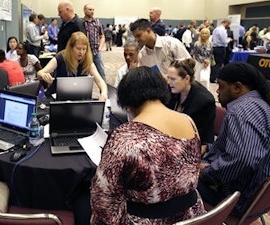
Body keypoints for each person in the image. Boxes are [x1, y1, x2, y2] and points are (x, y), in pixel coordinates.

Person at [91, 66, 205, 224]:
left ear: (127, 102)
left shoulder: (125, 137)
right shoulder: (188, 121)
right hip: (192, 216)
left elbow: (103, 200)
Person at [198, 62, 270, 218]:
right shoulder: (260, 104)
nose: (217, 91)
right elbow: (248, 147)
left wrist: (207, 172)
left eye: (221, 86)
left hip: (236, 200)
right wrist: (210, 148)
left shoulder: (240, 112)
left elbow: (244, 158)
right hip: (256, 197)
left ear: (237, 87)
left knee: (176, 180)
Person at [37, 31, 108, 100]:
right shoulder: (60, 57)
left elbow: (100, 81)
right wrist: (44, 75)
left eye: (84, 49)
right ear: (71, 48)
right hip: (57, 98)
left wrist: (103, 93)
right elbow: (39, 73)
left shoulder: (87, 61)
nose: (81, 52)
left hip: (79, 99)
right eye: (78, 49)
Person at [166, 58, 216, 155]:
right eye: (168, 77)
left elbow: (203, 138)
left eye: (172, 79)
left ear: (187, 79)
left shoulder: (204, 101)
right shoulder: (171, 90)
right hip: (174, 140)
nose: (168, 82)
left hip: (193, 146)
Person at [83, 3, 106, 81]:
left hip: (96, 52)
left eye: (93, 10)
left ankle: (104, 91)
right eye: (90, 10)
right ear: (85, 11)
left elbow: (102, 36)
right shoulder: (81, 22)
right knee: (84, 74)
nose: (92, 11)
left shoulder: (97, 22)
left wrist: (100, 47)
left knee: (101, 73)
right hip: (85, 53)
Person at [210, 19, 231, 83]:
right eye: (229, 24)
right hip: (220, 48)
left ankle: (212, 77)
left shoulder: (216, 29)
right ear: (226, 23)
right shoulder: (223, 30)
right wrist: (229, 40)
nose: (229, 26)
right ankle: (214, 78)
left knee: (213, 63)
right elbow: (224, 41)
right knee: (218, 64)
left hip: (214, 47)